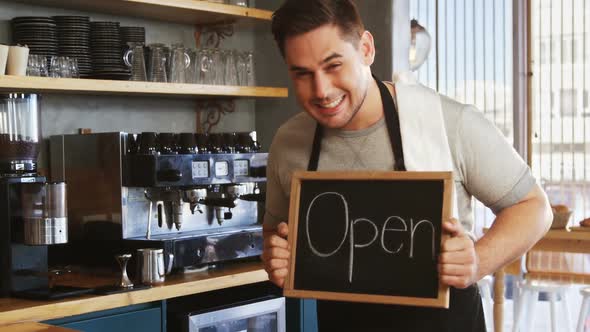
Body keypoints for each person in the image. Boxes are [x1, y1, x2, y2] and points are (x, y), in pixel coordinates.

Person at [261, 0, 553, 331]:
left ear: (367, 49)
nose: (321, 90)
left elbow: (534, 207)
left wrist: (476, 263)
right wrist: (276, 256)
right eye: (302, 73)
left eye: (333, 66)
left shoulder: (449, 122)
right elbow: (275, 231)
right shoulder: (288, 144)